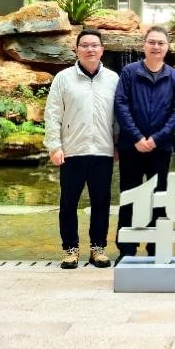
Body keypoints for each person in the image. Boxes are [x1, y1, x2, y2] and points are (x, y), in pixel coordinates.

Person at [43, 29, 119, 270]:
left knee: (101, 202)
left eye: (94, 45)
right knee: (68, 203)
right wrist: (54, 146)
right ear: (76, 49)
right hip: (72, 151)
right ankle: (70, 249)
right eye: (84, 45)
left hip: (103, 151)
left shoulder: (113, 79)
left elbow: (118, 117)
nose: (90, 49)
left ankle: (98, 248)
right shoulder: (63, 78)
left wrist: (117, 144)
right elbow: (52, 114)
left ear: (102, 50)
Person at [114, 25, 175, 259]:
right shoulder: (129, 72)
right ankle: (127, 248)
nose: (156, 47)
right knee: (129, 195)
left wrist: (156, 138)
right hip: (131, 146)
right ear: (144, 45)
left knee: (159, 196)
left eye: (160, 43)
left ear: (167, 47)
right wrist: (137, 137)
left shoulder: (174, 77)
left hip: (160, 148)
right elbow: (121, 105)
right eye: (152, 42)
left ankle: (156, 246)